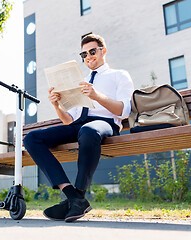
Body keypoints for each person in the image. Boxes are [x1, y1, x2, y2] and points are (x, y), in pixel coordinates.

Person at [23, 34, 134, 222]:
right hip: (78, 126)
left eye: (92, 51)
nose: (88, 57)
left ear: (103, 51)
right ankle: (73, 196)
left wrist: (96, 96)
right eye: (84, 54)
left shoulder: (118, 75)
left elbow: (124, 111)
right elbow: (69, 120)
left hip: (104, 124)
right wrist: (57, 105)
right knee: (31, 139)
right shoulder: (79, 81)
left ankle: (77, 197)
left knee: (88, 130)